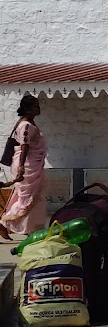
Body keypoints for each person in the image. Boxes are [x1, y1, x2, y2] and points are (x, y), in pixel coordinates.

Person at [0, 95, 48, 241]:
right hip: (27, 166)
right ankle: (4, 223)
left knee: (33, 198)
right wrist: (21, 167)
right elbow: (24, 145)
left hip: (33, 165)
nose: (38, 108)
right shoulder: (25, 125)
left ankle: (31, 229)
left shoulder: (29, 123)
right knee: (26, 200)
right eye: (35, 106)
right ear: (27, 109)